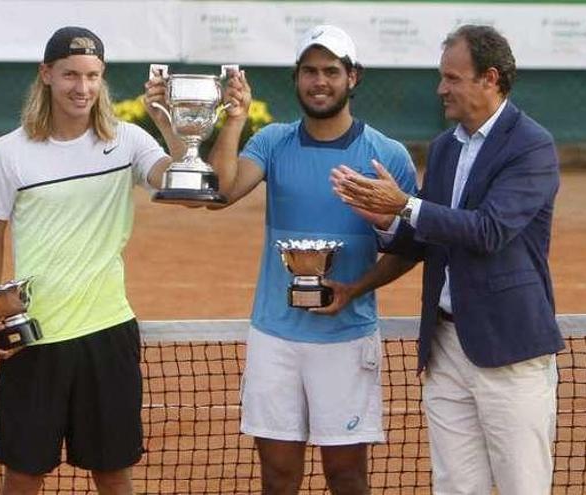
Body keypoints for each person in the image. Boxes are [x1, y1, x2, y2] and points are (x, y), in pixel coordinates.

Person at [166, 24, 417, 494]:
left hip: (346, 339)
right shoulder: (273, 142)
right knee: (278, 476)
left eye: (330, 71)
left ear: (353, 77)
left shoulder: (387, 155)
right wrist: (236, 119)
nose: (319, 81)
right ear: (296, 78)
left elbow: (410, 248)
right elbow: (220, 193)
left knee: (346, 476)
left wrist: (353, 290)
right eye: (309, 71)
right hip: (274, 339)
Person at [330, 25, 563, 495]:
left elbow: (489, 230)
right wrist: (387, 222)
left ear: (490, 78)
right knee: (455, 486)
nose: (441, 89)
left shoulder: (532, 146)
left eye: (453, 78)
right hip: (445, 346)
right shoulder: (444, 148)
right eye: (442, 77)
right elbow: (426, 238)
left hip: (508, 349)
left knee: (523, 487)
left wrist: (407, 206)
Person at [0, 26, 183, 494]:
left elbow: (182, 189)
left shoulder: (127, 141)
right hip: (33, 338)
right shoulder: (9, 153)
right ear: (46, 75)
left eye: (92, 76)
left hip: (108, 333)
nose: (82, 88)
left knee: (112, 472)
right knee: (24, 474)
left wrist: (169, 125)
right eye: (70, 74)